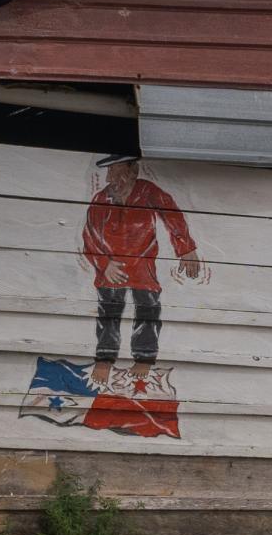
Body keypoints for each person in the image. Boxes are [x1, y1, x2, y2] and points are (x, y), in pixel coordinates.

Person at [80, 153, 200, 387]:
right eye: (110, 171)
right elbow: (89, 236)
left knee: (148, 311)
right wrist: (105, 264)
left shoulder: (147, 191)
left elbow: (172, 214)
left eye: (117, 170)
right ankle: (104, 360)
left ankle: (144, 359)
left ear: (133, 170)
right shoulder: (101, 198)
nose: (112, 176)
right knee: (109, 314)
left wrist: (186, 248)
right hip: (111, 269)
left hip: (143, 265)